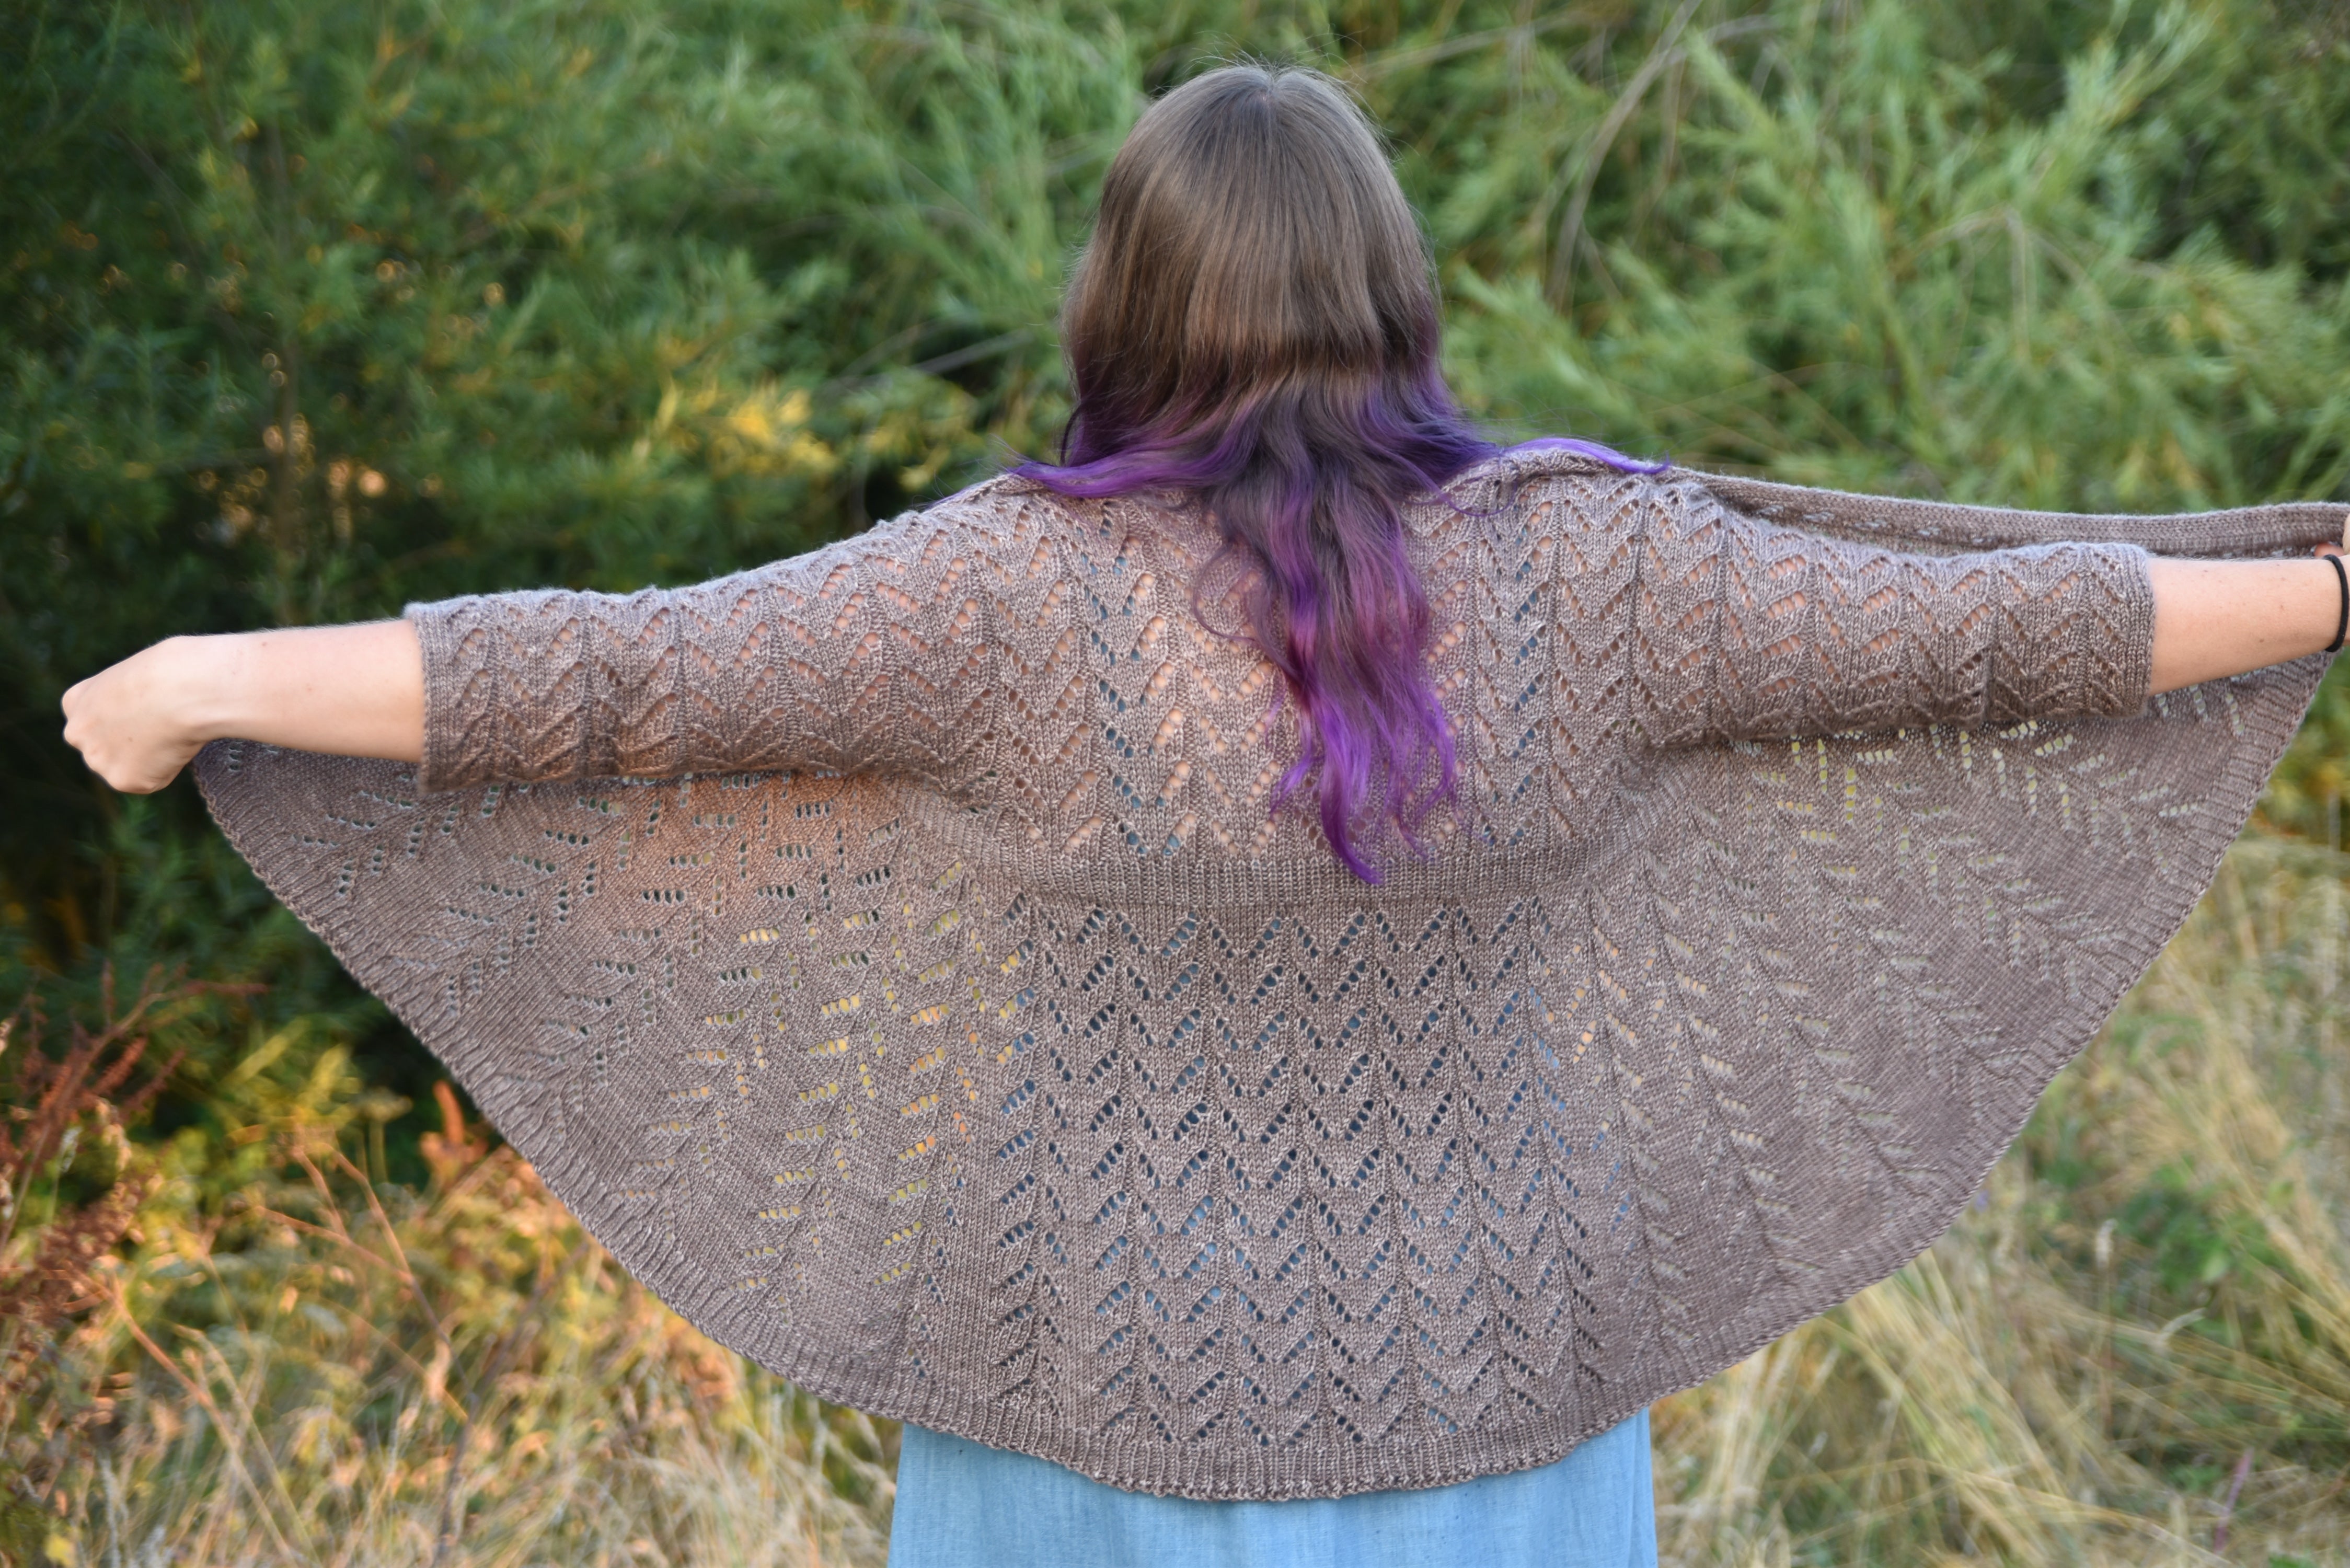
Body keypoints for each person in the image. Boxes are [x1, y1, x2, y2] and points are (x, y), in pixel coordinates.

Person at [57, 63, 2349, 1568]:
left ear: (1116, 300)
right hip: (1498, 1419)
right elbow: (2012, 638)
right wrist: (2321, 587)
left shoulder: (993, 593)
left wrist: (207, 678)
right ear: (1393, 294)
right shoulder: (1602, 572)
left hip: (1076, 1415)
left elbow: (612, 679)